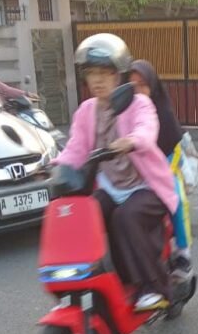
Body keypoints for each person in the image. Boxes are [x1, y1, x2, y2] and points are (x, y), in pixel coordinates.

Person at [53, 33, 178, 312]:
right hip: (111, 185)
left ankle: (153, 288)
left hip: (145, 186)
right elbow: (76, 148)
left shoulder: (138, 103)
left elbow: (147, 129)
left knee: (126, 216)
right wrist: (54, 168)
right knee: (84, 213)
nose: (97, 80)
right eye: (91, 73)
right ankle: (91, 282)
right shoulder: (86, 111)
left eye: (105, 73)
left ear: (119, 75)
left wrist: (131, 141)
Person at [129, 59, 193, 279]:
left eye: (142, 84)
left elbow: (170, 143)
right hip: (136, 164)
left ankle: (183, 253)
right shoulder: (124, 110)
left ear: (152, 85)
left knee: (174, 197)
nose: (138, 90)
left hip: (166, 158)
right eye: (132, 85)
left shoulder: (162, 110)